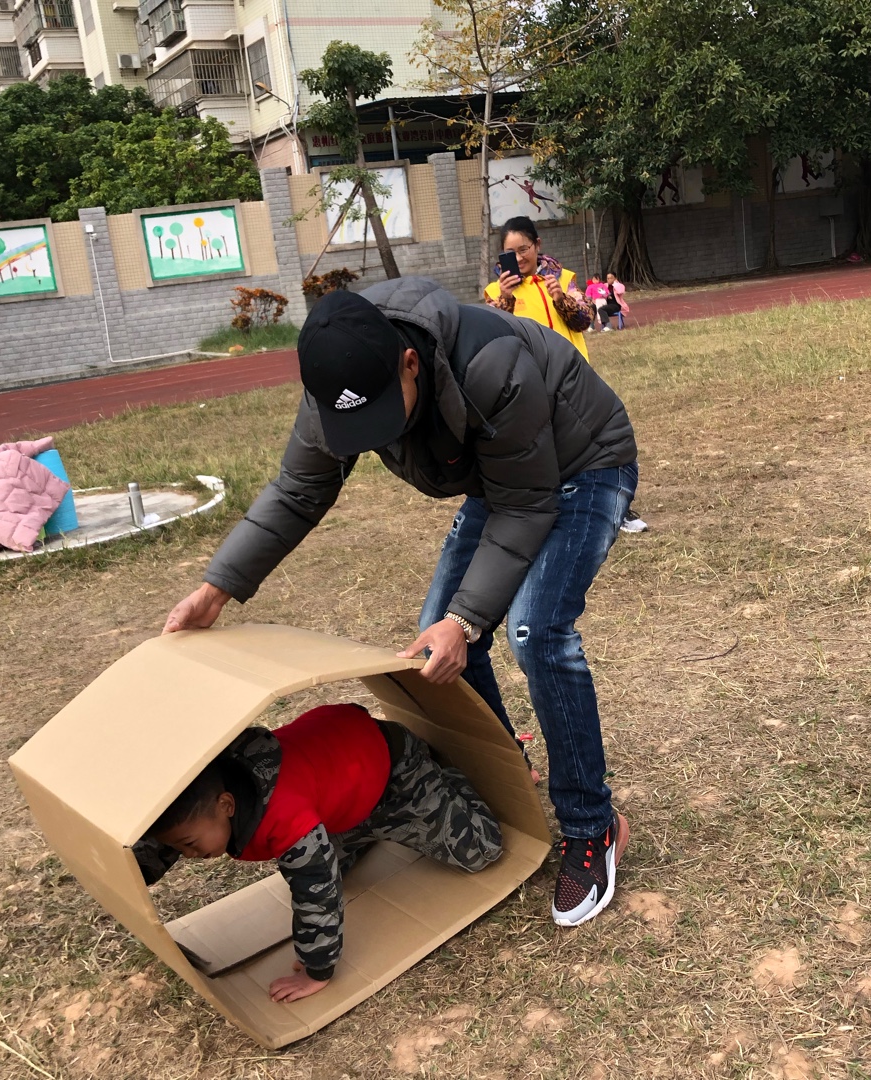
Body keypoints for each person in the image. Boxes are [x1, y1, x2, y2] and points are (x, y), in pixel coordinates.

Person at [163, 278, 639, 928]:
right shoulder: (334, 381)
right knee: (433, 644)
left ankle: (592, 824)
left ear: (410, 363)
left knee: (534, 630)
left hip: (584, 464)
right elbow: (298, 491)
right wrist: (216, 588)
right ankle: (506, 778)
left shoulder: (490, 365)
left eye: (380, 416)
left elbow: (529, 506)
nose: (368, 435)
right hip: (504, 480)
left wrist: (466, 619)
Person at [137, 702, 502, 1003]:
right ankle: (361, 822)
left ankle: (445, 783)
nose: (187, 854)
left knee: (481, 851)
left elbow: (317, 894)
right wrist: (133, 873)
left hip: (396, 771)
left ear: (227, 805)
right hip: (338, 775)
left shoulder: (286, 822)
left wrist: (316, 971)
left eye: (189, 845)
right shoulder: (205, 790)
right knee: (330, 862)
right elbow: (167, 831)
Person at [484, 216, 593, 359]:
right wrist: (505, 301)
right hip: (531, 370)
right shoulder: (495, 292)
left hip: (572, 366)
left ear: (537, 244)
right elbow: (492, 339)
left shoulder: (563, 279)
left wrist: (562, 300)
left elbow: (585, 322)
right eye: (510, 253)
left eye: (523, 250)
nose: (518, 258)